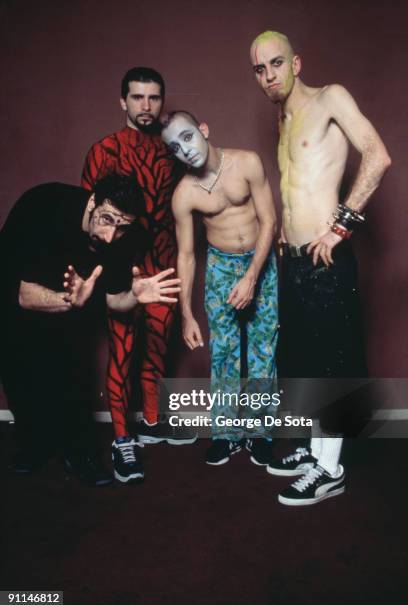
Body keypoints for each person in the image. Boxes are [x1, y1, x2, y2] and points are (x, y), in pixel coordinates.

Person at [250, 30, 391, 505]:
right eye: (259, 68)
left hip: (327, 256)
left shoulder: (331, 97)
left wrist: (342, 226)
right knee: (307, 360)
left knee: (333, 361)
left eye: (276, 63)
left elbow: (378, 154)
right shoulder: (283, 119)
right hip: (295, 260)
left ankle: (331, 471)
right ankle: (316, 452)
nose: (268, 75)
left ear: (296, 62)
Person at [0, 174, 180, 486]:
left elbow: (113, 300)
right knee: (20, 367)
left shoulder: (123, 238)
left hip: (69, 298)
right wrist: (71, 301)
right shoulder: (45, 209)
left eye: (122, 227)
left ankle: (79, 453)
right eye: (106, 219)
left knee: (71, 368)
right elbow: (24, 297)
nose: (110, 235)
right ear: (93, 201)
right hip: (14, 289)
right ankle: (33, 445)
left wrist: (135, 296)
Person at [82, 67, 193, 464]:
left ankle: (150, 420)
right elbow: (90, 221)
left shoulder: (172, 148)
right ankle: (121, 436)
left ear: (162, 101)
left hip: (162, 264)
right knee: (123, 351)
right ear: (123, 101)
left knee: (158, 350)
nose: (146, 106)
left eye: (154, 98)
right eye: (137, 97)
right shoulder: (105, 150)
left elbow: (199, 180)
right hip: (122, 269)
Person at [161, 111, 279, 466]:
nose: (184, 149)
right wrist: (185, 314)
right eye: (174, 147)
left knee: (263, 350)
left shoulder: (247, 163)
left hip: (260, 263)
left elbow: (270, 220)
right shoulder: (183, 195)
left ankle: (259, 434)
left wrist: (253, 275)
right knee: (224, 354)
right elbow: (185, 255)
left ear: (203, 130)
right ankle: (227, 435)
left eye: (187, 137)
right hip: (221, 267)